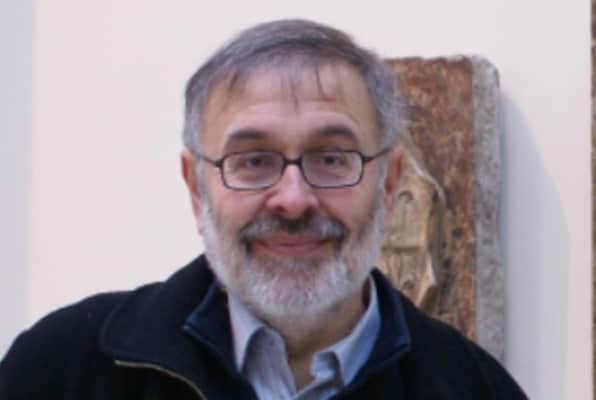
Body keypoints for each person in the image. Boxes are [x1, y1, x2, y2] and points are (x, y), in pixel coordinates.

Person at [0, 19, 527, 399]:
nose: (293, 199)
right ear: (196, 187)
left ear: (388, 184)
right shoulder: (60, 371)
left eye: (331, 158)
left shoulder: (476, 389)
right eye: (252, 161)